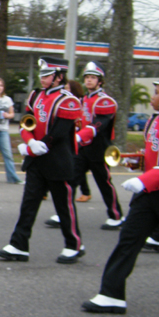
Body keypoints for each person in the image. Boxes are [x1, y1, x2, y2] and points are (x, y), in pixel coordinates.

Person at [0, 57, 85, 264]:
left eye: (47, 75)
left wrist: (37, 145)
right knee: (29, 203)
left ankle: (74, 244)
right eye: (41, 75)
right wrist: (28, 141)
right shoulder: (35, 95)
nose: (43, 79)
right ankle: (19, 245)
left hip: (58, 160)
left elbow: (60, 132)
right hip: (37, 160)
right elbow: (27, 122)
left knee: (64, 206)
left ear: (59, 77)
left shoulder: (68, 100)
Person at [82, 80, 159, 314]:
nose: (153, 97)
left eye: (157, 92)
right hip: (150, 193)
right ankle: (112, 294)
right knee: (129, 239)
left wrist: (144, 180)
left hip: (150, 186)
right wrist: (139, 162)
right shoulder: (154, 118)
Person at [45, 62, 123, 230]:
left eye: (93, 78)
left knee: (104, 182)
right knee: (71, 180)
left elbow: (99, 124)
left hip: (98, 148)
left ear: (100, 81)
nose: (89, 81)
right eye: (87, 77)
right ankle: (62, 214)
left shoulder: (105, 101)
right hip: (82, 147)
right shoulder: (84, 99)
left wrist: (80, 136)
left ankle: (116, 215)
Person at [0, 77, 22, 184]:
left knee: (8, 154)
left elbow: (12, 114)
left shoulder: (8, 100)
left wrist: (7, 115)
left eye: (1, 86)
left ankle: (13, 177)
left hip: (4, 129)